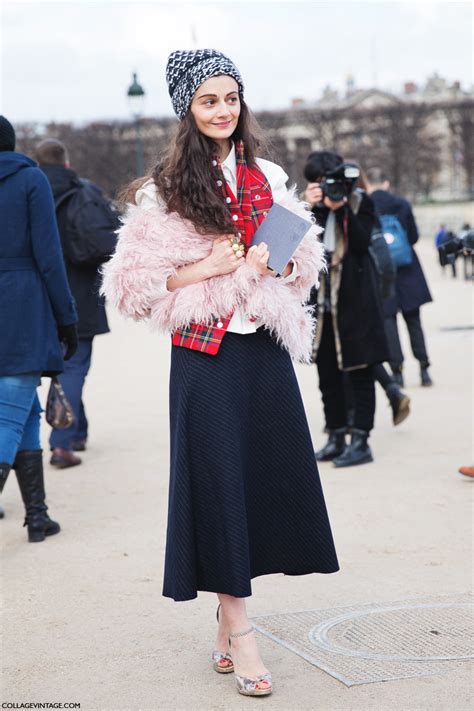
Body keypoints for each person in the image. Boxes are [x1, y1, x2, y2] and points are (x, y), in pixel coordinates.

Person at [102, 49, 339, 697]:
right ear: (188, 109)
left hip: (261, 347)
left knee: (257, 484)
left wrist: (277, 265)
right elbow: (132, 288)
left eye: (230, 98)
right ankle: (242, 631)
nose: (223, 110)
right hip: (204, 355)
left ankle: (226, 615)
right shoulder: (164, 191)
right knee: (217, 484)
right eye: (208, 100)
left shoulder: (269, 173)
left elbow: (305, 260)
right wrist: (206, 270)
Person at [0, 116, 78, 540]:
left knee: (26, 410)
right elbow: (49, 256)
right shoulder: (31, 180)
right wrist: (66, 318)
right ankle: (36, 515)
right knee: (10, 416)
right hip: (22, 306)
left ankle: (37, 515)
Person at [36, 139, 119, 468]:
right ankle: (61, 443)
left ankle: (78, 430)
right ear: (67, 163)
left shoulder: (30, 191)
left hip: (41, 295)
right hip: (80, 294)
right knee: (74, 367)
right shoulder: (85, 192)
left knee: (65, 368)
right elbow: (107, 242)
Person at [304, 151, 390, 467]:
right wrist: (310, 207)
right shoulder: (309, 207)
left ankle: (361, 441)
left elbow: (360, 244)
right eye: (316, 182)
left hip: (355, 306)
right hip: (324, 309)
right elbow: (300, 246)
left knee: (360, 374)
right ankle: (336, 436)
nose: (325, 188)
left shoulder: (359, 202)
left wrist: (340, 209)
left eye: (327, 181)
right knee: (328, 375)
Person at [366, 167, 433, 387]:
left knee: (389, 323)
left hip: (382, 272)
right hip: (408, 270)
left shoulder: (367, 206)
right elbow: (412, 236)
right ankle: (424, 368)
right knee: (414, 321)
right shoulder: (401, 204)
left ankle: (397, 372)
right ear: (386, 183)